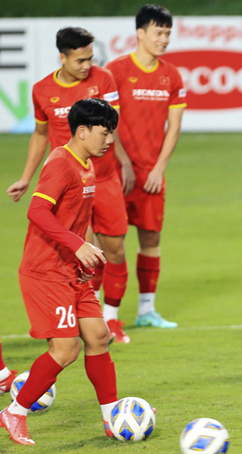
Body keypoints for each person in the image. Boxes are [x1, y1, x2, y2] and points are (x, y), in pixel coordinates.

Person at [0, 99, 120, 446]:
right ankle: (15, 412)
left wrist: (85, 252)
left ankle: (112, 416)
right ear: (82, 132)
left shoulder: (87, 163)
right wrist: (76, 244)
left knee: (98, 336)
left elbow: (76, 219)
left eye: (111, 132)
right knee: (66, 349)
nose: (109, 139)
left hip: (72, 268)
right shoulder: (61, 165)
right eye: (104, 132)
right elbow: (37, 211)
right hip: (46, 271)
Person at [5, 27, 133, 344]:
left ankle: (112, 320)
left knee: (115, 250)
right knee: (83, 254)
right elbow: (40, 135)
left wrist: (125, 162)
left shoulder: (103, 79)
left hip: (104, 179)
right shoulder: (41, 90)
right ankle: (88, 319)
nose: (87, 65)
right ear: (62, 57)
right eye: (80, 60)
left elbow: (111, 128)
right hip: (70, 187)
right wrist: (26, 176)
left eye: (90, 58)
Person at [105, 4, 187, 329]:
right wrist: (124, 162)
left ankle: (146, 311)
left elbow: (175, 126)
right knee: (109, 244)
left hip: (152, 175)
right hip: (116, 173)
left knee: (151, 241)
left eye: (168, 33)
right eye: (159, 32)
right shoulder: (117, 70)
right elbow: (106, 122)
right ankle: (103, 316)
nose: (164, 39)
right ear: (140, 33)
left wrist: (159, 168)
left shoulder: (172, 75)